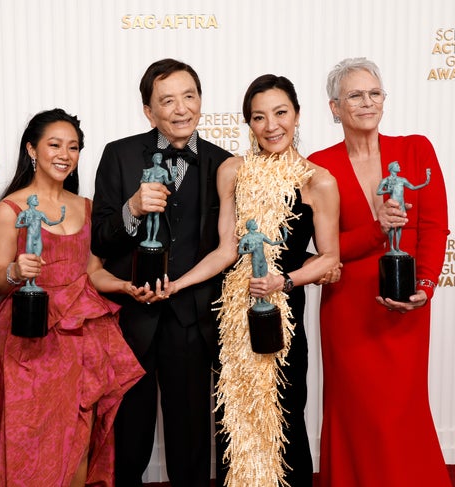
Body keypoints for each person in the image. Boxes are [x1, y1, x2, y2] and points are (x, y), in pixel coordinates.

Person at [162, 74, 340, 487]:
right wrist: (177, 284)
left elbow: (330, 256)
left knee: (285, 413)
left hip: (283, 318)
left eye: (280, 113)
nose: (271, 125)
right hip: (233, 320)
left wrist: (285, 280)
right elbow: (226, 250)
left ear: (297, 115)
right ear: (249, 124)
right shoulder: (232, 171)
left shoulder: (318, 180)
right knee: (235, 420)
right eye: (259, 117)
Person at [0, 108, 145, 487]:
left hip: (82, 339)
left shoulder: (88, 207)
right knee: (26, 441)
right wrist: (16, 270)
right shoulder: (7, 210)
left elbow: (92, 272)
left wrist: (126, 286)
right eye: (54, 144)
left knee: (78, 436)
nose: (65, 154)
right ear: (32, 149)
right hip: (29, 340)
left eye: (74, 147)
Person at [91, 58, 233, 486]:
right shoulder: (119, 154)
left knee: (191, 441)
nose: (181, 108)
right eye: (167, 100)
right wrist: (132, 209)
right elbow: (99, 239)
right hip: (130, 319)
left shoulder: (225, 163)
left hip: (193, 319)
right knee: (127, 439)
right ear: (149, 111)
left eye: (189, 96)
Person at [308, 57, 450, 487]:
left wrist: (424, 287)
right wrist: (376, 229)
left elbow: (434, 226)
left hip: (406, 306)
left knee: (401, 413)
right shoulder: (318, 165)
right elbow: (325, 251)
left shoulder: (415, 149)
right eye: (355, 95)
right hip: (349, 310)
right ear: (335, 107)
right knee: (356, 414)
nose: (367, 102)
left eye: (374, 93)